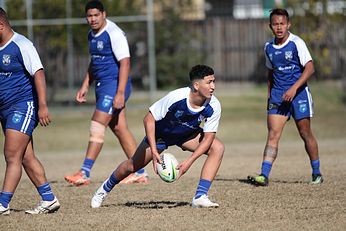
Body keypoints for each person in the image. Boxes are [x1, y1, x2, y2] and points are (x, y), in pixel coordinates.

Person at [90, 64, 224, 209]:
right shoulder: (177, 97)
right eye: (209, 82)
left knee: (217, 148)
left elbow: (209, 138)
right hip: (161, 135)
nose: (213, 86)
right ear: (196, 85)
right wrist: (154, 150)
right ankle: (103, 190)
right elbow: (148, 119)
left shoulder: (214, 105)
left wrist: (189, 162)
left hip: (187, 135)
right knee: (132, 165)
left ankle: (200, 197)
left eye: (214, 81)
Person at [64, 0, 148, 186]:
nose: (93, 19)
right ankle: (140, 171)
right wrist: (86, 84)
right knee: (119, 128)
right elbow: (94, 62)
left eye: (96, 15)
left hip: (115, 86)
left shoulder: (114, 33)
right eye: (89, 16)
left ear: (104, 14)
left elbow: (125, 63)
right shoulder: (91, 35)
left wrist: (119, 93)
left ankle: (84, 172)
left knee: (97, 125)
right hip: (102, 87)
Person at [247, 8, 323, 186]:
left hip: (299, 95)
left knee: (305, 133)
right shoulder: (268, 48)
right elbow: (271, 73)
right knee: (273, 134)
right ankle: (264, 175)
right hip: (277, 97)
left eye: (282, 23)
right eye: (275, 24)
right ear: (270, 26)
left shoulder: (297, 43)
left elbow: (310, 68)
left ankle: (317, 173)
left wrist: (294, 89)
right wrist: (269, 96)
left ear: (288, 24)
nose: (279, 27)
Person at [0, 8, 60, 215]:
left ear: (1, 25)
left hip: (23, 105)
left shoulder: (22, 45)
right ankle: (49, 199)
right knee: (25, 157)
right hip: (5, 109)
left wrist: (42, 105)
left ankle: (2, 204)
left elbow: (39, 73)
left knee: (11, 155)